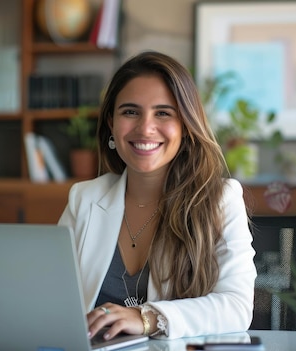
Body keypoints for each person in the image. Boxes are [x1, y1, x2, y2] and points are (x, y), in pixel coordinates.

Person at [57, 51, 256, 340]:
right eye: (130, 112)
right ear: (111, 123)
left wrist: (147, 318)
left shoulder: (220, 199)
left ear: (186, 126)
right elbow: (52, 298)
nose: (145, 128)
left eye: (163, 112)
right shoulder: (83, 199)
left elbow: (237, 307)